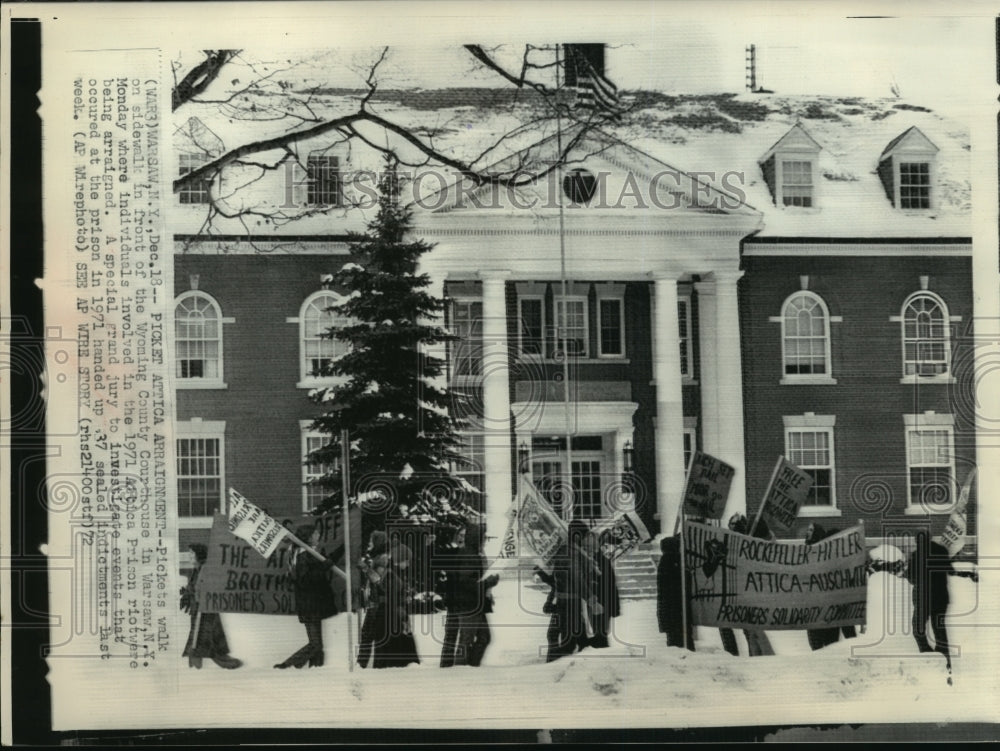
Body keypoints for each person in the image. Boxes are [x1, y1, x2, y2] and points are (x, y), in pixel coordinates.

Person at [274, 523, 339, 669]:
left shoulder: (301, 553)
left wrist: (330, 560)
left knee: (317, 643)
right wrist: (326, 566)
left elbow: (317, 567)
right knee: (315, 644)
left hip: (309, 603)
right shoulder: (304, 555)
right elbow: (306, 579)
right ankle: (287, 665)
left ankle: (316, 669)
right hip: (310, 603)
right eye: (315, 534)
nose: (318, 536)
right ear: (308, 537)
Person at [538, 520, 600, 662]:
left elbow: (558, 579)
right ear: (578, 537)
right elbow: (576, 579)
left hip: (564, 601)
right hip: (569, 603)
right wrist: (592, 600)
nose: (587, 540)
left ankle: (554, 665)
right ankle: (557, 669)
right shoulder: (571, 553)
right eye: (586, 536)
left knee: (559, 636)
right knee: (568, 640)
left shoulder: (569, 551)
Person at [439, 523, 499, 667]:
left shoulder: (470, 553)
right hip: (467, 603)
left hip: (469, 602)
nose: (485, 540)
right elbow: (467, 583)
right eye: (483, 538)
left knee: (480, 637)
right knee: (466, 640)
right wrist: (488, 583)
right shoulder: (469, 556)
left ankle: (465, 666)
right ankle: (461, 669)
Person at [180, 543, 242, 669]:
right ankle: (198, 661)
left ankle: (203, 659)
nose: (189, 556)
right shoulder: (197, 568)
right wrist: (186, 593)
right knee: (202, 633)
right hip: (198, 607)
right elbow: (194, 586)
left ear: (199, 554)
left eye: (192, 553)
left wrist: (196, 596)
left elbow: (205, 587)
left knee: (204, 633)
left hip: (205, 607)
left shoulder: (205, 568)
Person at [804, 523, 857, 650]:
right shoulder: (809, 553)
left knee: (829, 644)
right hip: (816, 610)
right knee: (819, 646)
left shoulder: (841, 558)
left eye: (811, 530)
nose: (808, 532)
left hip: (832, 610)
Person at [727, 514, 775, 657]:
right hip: (744, 593)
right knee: (749, 630)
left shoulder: (757, 542)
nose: (732, 528)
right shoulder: (739, 542)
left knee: (755, 629)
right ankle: (755, 656)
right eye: (731, 525)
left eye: (735, 525)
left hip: (756, 593)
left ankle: (763, 656)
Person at [656, 534, 694, 651]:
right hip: (676, 607)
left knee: (674, 639)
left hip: (671, 608)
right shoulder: (673, 561)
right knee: (682, 639)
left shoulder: (666, 560)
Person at [590, 537, 621, 649]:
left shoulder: (585, 562)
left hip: (592, 601)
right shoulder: (605, 561)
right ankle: (603, 648)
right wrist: (615, 607)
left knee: (596, 630)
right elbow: (612, 585)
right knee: (602, 630)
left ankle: (601, 648)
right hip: (605, 601)